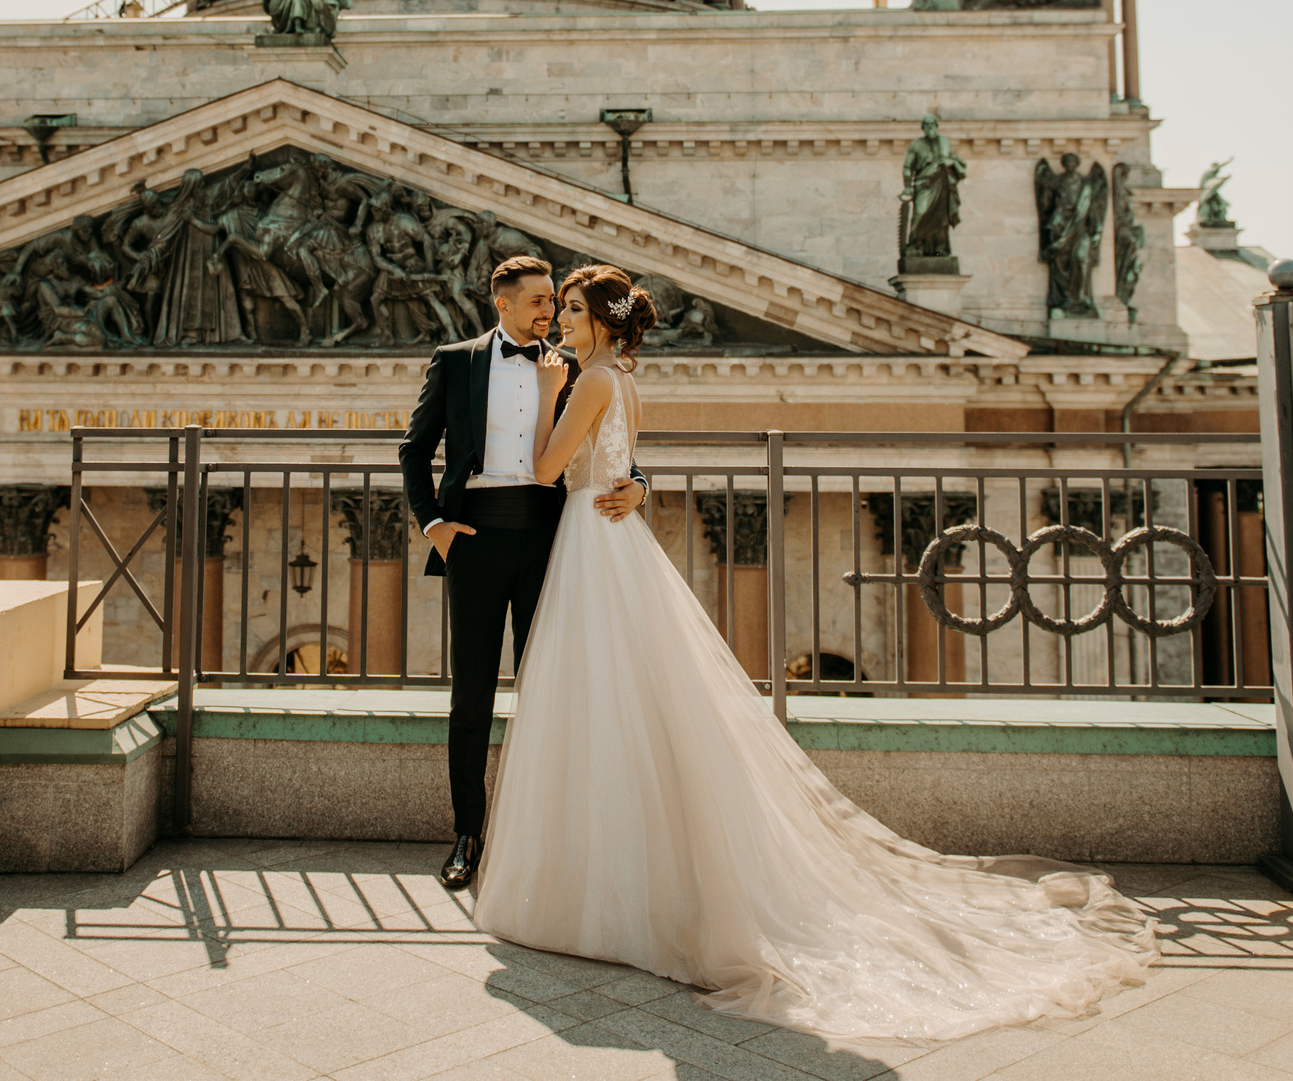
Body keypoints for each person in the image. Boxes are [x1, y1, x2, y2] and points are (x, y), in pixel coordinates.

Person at [472, 263, 1159, 1043]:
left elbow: (546, 468)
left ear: (600, 319)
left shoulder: (588, 380)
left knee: (592, 710)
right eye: (554, 306)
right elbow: (620, 465)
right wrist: (638, 483)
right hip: (617, 542)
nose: (558, 318)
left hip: (592, 547)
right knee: (637, 711)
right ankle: (630, 890)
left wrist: (550, 395)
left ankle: (592, 892)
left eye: (569, 308)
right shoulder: (626, 381)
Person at [398, 257, 646, 892]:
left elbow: (614, 445)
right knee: (471, 695)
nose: (548, 312)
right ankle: (467, 834)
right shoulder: (454, 359)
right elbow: (415, 448)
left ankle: (546, 838)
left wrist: (640, 485)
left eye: (555, 301)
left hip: (549, 536)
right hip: (473, 538)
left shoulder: (575, 366)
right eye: (538, 301)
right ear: (501, 303)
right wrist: (432, 524)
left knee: (551, 691)